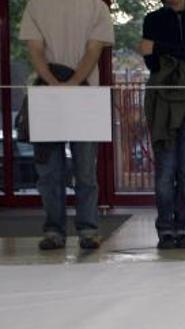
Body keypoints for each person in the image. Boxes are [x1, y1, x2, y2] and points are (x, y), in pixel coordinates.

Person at [18, 0, 114, 250]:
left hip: (53, 95)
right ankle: (85, 231)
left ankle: (58, 231)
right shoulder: (96, 6)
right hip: (79, 94)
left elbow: (35, 50)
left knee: (56, 173)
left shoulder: (37, 5)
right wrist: (72, 83)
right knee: (79, 171)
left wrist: (54, 83)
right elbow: (93, 51)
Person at [140, 0, 185, 250]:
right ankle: (165, 230)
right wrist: (183, 58)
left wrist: (160, 47)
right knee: (165, 171)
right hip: (162, 104)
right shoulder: (152, 19)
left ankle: (183, 227)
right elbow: (152, 63)